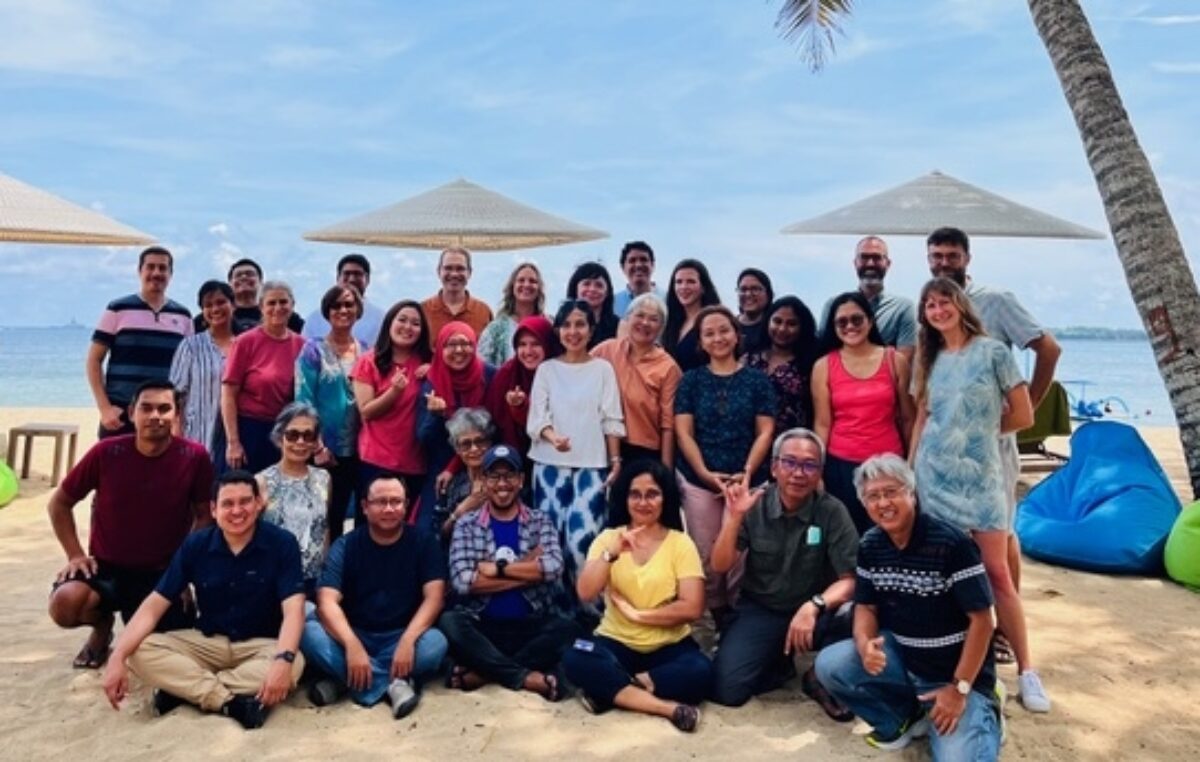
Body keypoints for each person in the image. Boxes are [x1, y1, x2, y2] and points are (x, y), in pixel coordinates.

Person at [910, 276, 1048, 714]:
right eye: (929, 305)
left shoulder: (994, 352)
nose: (937, 310)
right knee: (943, 571)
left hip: (981, 477)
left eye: (944, 301)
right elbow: (923, 419)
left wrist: (978, 436)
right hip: (933, 478)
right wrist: (912, 469)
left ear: (960, 304)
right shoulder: (930, 359)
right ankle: (962, 659)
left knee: (997, 574)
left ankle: (1028, 670)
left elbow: (1023, 415)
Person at [927, 225, 1061, 658]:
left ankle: (1004, 630)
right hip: (948, 455)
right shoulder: (932, 306)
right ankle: (968, 620)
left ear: (968, 257)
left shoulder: (995, 300)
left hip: (992, 448)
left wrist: (1025, 412)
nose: (943, 262)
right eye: (936, 255)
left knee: (1001, 539)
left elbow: (1049, 349)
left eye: (951, 255)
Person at [815, 455, 1002, 758]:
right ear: (865, 505)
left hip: (956, 672)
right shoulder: (871, 545)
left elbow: (984, 620)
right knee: (831, 665)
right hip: (906, 660)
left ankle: (985, 709)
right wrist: (865, 645)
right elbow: (866, 606)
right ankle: (901, 719)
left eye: (892, 492)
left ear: (911, 494)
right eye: (873, 496)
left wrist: (960, 688)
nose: (883, 503)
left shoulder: (952, 543)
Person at [101, 470, 306, 729]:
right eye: (227, 504)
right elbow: (154, 606)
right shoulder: (196, 545)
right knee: (139, 650)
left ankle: (185, 690)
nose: (237, 511)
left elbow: (294, 609)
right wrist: (117, 656)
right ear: (213, 509)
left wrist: (282, 660)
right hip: (208, 642)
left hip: (261, 644)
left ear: (258, 504)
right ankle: (228, 701)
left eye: (245, 501)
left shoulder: (282, 543)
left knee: (294, 663)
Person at [47, 379, 213, 670]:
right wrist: (75, 555)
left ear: (176, 415)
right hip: (107, 568)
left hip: (162, 574)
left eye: (164, 408)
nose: (155, 416)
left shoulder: (194, 456)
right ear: (132, 412)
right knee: (66, 604)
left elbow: (205, 515)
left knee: (170, 642)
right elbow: (59, 503)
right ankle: (102, 627)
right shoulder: (106, 452)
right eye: (146, 408)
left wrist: (183, 570)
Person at [709, 429, 857, 720]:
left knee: (859, 614)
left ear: (819, 473)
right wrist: (734, 516)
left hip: (815, 612)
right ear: (774, 467)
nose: (798, 473)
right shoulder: (755, 504)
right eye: (789, 462)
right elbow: (720, 565)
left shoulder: (832, 511)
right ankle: (779, 660)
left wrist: (814, 605)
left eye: (809, 465)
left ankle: (817, 676)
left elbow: (850, 580)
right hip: (763, 609)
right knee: (726, 690)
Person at [562, 460, 712, 732]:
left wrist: (639, 615)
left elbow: (692, 607)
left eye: (652, 494)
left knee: (700, 671)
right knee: (575, 656)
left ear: (665, 498)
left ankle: (610, 691)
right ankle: (666, 708)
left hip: (668, 645)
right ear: (624, 498)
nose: (643, 502)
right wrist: (612, 553)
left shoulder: (680, 543)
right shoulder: (609, 538)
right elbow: (585, 592)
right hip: (616, 641)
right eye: (635, 494)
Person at [300, 475, 448, 718]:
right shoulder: (346, 545)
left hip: (401, 635)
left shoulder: (423, 542)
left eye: (396, 501)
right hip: (352, 633)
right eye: (380, 502)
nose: (389, 508)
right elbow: (326, 601)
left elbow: (435, 597)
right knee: (308, 632)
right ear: (365, 507)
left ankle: (347, 682)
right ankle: (395, 684)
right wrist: (352, 645)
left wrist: (409, 640)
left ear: (406, 505)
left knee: (436, 643)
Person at [439, 445, 579, 700]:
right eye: (494, 476)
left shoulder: (539, 520)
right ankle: (523, 676)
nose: (502, 484)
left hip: (531, 623)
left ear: (521, 480)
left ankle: (484, 673)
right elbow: (463, 582)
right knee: (450, 623)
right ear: (483, 480)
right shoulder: (467, 524)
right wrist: (529, 566)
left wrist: (497, 570)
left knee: (568, 629)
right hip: (483, 624)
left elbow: (554, 568)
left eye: (509, 476)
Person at [674, 306, 775, 626]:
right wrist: (704, 473)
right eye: (709, 333)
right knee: (706, 551)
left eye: (724, 330)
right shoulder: (690, 381)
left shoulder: (758, 381)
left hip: (747, 480)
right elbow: (683, 433)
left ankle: (739, 616)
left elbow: (766, 431)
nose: (718, 338)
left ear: (736, 335)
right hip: (699, 480)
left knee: (741, 553)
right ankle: (716, 614)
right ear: (701, 342)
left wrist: (746, 471)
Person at [527, 300, 625, 616]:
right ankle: (556, 617)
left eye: (580, 324)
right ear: (558, 330)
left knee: (583, 543)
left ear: (591, 329)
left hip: (592, 467)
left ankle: (594, 614)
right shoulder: (547, 369)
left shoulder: (602, 369)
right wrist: (553, 437)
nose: (573, 331)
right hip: (549, 467)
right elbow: (536, 418)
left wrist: (615, 461)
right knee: (552, 543)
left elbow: (611, 418)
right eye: (566, 325)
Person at [813, 292, 914, 534]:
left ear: (870, 321)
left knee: (891, 534)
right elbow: (823, 423)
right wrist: (817, 470)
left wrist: (911, 465)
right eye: (841, 322)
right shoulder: (823, 366)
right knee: (845, 536)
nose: (850, 326)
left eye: (856, 319)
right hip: (841, 466)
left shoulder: (895, 360)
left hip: (889, 466)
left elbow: (908, 418)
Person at [87, 246, 193, 439]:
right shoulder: (118, 309)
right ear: (140, 271)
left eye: (162, 268)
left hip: (162, 415)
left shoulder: (183, 316)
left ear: (171, 274)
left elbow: (188, 371)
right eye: (150, 267)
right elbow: (94, 361)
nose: (156, 273)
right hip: (120, 414)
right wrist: (105, 408)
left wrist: (179, 416)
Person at [351, 300, 433, 526]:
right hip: (376, 459)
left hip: (414, 461)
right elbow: (366, 411)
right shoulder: (369, 361)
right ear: (389, 323)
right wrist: (394, 391)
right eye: (402, 320)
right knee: (371, 527)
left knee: (406, 529)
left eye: (416, 323)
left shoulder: (427, 362)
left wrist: (434, 372)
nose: (408, 327)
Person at [296, 284, 365, 537]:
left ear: (358, 310)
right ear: (327, 311)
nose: (343, 310)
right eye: (336, 305)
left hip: (361, 449)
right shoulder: (313, 350)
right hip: (326, 451)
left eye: (349, 304)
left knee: (362, 515)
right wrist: (317, 446)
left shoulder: (367, 350)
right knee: (327, 517)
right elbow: (304, 400)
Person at [220, 280, 306, 475]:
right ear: (261, 307)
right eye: (271, 303)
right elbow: (228, 393)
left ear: (292, 305)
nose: (278, 308)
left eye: (283, 302)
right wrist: (233, 442)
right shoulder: (245, 342)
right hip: (250, 430)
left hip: (286, 431)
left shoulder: (302, 345)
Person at [417, 322, 495, 532]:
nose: (459, 350)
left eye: (465, 343)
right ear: (440, 348)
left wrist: (455, 466)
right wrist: (436, 415)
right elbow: (424, 438)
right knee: (430, 531)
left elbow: (494, 429)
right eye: (451, 344)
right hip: (440, 468)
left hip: (483, 462)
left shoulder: (489, 376)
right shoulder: (431, 382)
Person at [591, 293, 682, 465]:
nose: (645, 323)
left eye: (653, 319)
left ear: (661, 327)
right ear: (627, 318)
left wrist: (665, 471)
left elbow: (668, 425)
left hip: (644, 452)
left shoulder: (668, 368)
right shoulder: (607, 349)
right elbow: (580, 370)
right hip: (601, 445)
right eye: (639, 315)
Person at [257, 403, 330, 598]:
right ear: (280, 437)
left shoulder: (324, 479)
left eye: (308, 436)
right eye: (292, 435)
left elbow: (324, 527)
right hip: (273, 580)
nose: (300, 442)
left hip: (313, 580)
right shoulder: (261, 481)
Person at [819, 236, 916, 361]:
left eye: (877, 258)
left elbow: (903, 361)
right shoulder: (833, 305)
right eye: (864, 257)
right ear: (855, 263)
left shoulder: (903, 308)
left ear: (888, 264)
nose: (870, 263)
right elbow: (822, 352)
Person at [170, 280, 235, 456]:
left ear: (233, 304)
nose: (215, 309)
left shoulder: (244, 345)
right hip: (196, 435)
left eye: (221, 302)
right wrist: (176, 436)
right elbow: (175, 394)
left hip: (234, 440)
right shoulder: (190, 346)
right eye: (208, 305)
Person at [483, 315, 554, 460]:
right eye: (522, 344)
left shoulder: (560, 373)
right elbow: (492, 421)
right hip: (512, 460)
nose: (528, 351)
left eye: (535, 344)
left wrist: (521, 407)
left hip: (555, 454)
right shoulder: (506, 375)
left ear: (548, 343)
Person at [744, 295, 820, 431]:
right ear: (768, 321)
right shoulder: (748, 359)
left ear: (802, 327)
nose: (782, 329)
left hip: (791, 445)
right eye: (777, 321)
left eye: (791, 324)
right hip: (748, 442)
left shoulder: (811, 365)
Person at [194, 258, 305, 335]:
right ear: (229, 284)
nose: (243, 277)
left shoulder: (282, 314)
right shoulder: (210, 317)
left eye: (250, 274)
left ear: (261, 282)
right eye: (238, 275)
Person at [433, 408, 495, 542]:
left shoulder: (503, 482)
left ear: (489, 444)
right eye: (466, 444)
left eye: (480, 441)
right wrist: (460, 512)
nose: (474, 449)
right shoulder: (449, 485)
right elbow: (437, 536)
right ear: (457, 450)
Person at [303, 253, 384, 344]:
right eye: (346, 274)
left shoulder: (381, 319)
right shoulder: (315, 318)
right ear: (338, 278)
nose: (351, 279)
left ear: (367, 279)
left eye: (357, 274)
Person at [421, 247, 494, 346]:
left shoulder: (483, 312)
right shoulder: (423, 310)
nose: (454, 274)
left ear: (469, 273)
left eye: (460, 269)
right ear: (439, 271)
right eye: (448, 268)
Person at [477, 262, 546, 367]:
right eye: (521, 280)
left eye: (532, 281)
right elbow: (482, 365)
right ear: (512, 286)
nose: (526, 285)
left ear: (539, 288)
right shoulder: (496, 329)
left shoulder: (548, 325)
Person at [663, 258, 721, 373]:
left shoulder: (714, 321)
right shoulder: (671, 323)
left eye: (691, 281)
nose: (683, 287)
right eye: (679, 282)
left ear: (703, 287)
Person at [566, 261, 620, 347]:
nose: (592, 289)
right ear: (575, 288)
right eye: (586, 284)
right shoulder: (563, 323)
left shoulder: (618, 326)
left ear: (607, 292)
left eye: (599, 285)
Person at [612, 241, 664, 317]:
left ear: (652, 265)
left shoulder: (668, 299)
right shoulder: (613, 303)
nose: (638, 265)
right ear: (623, 267)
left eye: (643, 260)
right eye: (632, 260)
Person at [735, 268, 774, 354]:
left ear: (768, 294)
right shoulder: (729, 325)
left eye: (755, 289)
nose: (748, 294)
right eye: (743, 289)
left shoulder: (775, 328)